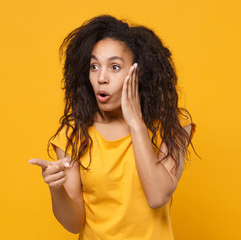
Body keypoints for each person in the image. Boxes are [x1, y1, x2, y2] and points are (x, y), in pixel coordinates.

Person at [29, 15, 196, 240]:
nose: (101, 77)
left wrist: (135, 122)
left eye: (115, 67)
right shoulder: (74, 135)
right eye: (94, 66)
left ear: (138, 72)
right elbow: (74, 223)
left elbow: (157, 196)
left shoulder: (169, 125)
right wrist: (56, 189)